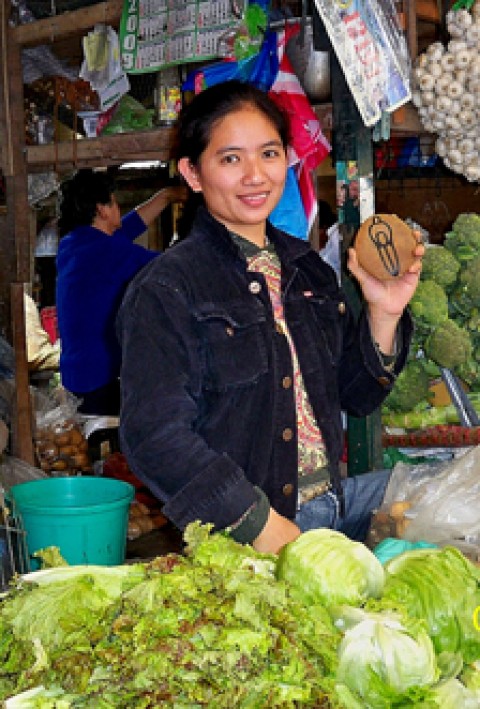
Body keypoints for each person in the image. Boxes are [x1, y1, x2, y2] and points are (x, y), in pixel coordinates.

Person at [118, 81, 424, 555]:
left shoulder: (307, 269)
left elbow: (357, 396)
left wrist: (385, 312)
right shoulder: (167, 288)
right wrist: (257, 522)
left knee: (453, 488)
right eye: (230, 159)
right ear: (193, 174)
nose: (255, 175)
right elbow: (154, 435)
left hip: (334, 509)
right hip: (243, 542)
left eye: (268, 153)